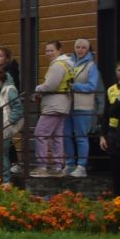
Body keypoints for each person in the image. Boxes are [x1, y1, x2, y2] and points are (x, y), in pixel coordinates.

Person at [33, 40, 73, 175]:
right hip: (62, 104)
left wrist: (38, 88)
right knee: (57, 136)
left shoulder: (57, 66)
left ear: (59, 50)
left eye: (51, 50)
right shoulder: (66, 64)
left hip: (53, 105)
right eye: (47, 50)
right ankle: (57, 166)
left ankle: (42, 166)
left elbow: (50, 85)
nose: (48, 53)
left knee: (40, 134)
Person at [67, 37, 102, 178]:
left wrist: (75, 86)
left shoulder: (91, 66)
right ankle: (69, 164)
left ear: (88, 50)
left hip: (83, 105)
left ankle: (82, 166)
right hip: (68, 104)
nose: (80, 50)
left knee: (81, 136)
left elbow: (93, 86)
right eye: (78, 47)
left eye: (83, 48)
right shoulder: (70, 63)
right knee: (66, 135)